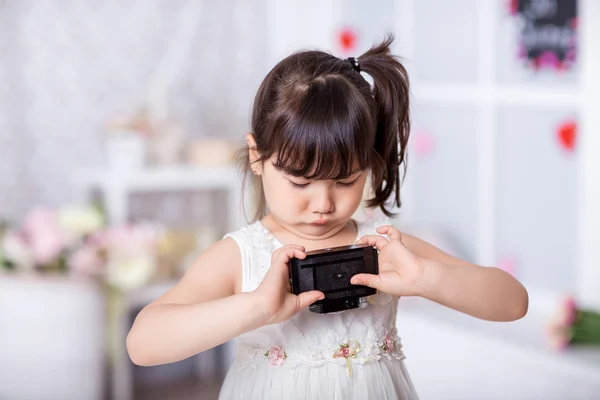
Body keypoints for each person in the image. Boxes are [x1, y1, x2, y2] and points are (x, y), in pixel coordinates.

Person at [126, 34, 529, 399]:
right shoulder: (242, 255)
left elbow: (514, 302)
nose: (323, 204)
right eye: (300, 183)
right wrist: (257, 308)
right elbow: (144, 344)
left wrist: (425, 278)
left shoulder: (383, 245)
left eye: (345, 180)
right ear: (256, 157)